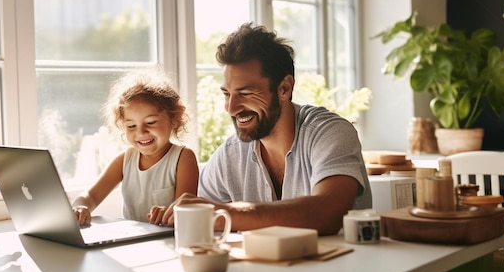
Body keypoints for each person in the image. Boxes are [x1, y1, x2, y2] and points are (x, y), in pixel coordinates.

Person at [148, 23, 371, 235]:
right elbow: (200, 214)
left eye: (245, 93)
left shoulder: (329, 132)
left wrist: (224, 212)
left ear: (284, 88)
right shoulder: (231, 155)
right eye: (227, 94)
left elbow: (327, 212)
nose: (231, 108)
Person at [72, 69, 199, 225]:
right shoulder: (124, 160)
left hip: (170, 242)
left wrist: (169, 213)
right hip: (131, 243)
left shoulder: (183, 158)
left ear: (175, 117)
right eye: (131, 126)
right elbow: (90, 196)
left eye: (151, 122)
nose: (141, 132)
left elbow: (186, 210)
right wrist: (80, 207)